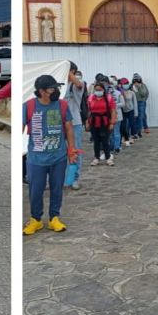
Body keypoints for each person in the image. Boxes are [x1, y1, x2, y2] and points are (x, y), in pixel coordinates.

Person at [22, 74, 78, 235]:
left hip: (58, 157)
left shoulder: (62, 105)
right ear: (42, 91)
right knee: (35, 191)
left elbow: (69, 128)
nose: (56, 91)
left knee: (57, 189)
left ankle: (54, 217)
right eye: (52, 88)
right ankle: (36, 219)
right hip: (36, 159)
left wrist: (71, 151)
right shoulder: (28, 106)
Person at [64, 64, 88, 191]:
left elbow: (79, 84)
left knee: (75, 150)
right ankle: (63, 179)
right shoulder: (58, 84)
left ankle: (74, 178)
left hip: (74, 122)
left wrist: (67, 71)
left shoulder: (75, 84)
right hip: (59, 123)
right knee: (60, 152)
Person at [86, 76, 116, 167]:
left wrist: (112, 123)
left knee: (105, 140)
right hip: (94, 121)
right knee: (96, 141)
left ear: (103, 90)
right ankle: (96, 157)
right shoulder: (91, 98)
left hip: (104, 122)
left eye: (100, 90)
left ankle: (108, 157)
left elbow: (113, 111)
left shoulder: (109, 98)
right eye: (96, 90)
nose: (98, 91)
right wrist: (87, 122)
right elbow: (89, 111)